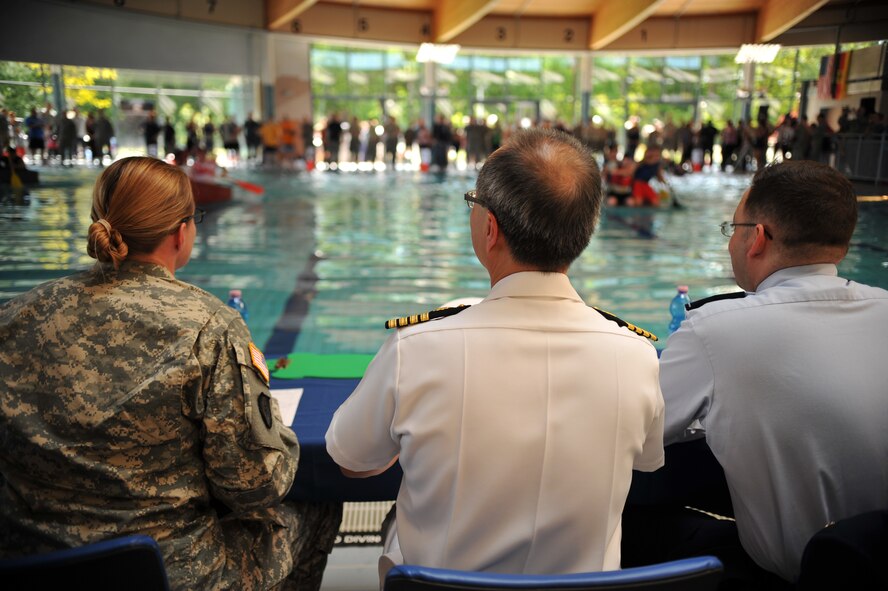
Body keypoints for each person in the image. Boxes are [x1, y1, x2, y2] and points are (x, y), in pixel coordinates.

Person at [326, 128, 665, 584]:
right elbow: (646, 460)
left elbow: (351, 459)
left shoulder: (418, 350)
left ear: (490, 228)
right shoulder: (637, 357)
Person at [0, 156, 342, 590]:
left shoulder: (15, 316)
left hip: (31, 561)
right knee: (316, 508)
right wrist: (277, 431)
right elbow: (255, 485)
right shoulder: (208, 327)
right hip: (167, 572)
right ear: (182, 232)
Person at [625, 161, 888, 587]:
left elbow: (632, 434)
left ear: (758, 238)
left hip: (798, 575)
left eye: (733, 229)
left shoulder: (717, 329)